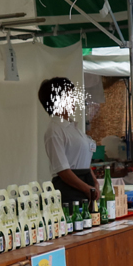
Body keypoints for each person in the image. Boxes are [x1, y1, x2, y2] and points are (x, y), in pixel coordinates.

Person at [39, 77, 98, 205]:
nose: (73, 100)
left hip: (85, 183)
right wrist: (87, 188)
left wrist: (95, 182)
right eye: (68, 95)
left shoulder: (73, 127)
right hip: (69, 189)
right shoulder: (54, 130)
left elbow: (84, 160)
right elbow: (63, 171)